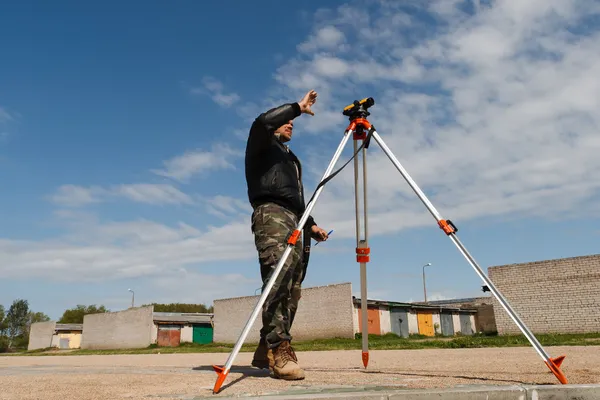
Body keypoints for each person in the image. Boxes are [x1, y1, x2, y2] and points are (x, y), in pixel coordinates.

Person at [244, 89, 330, 380]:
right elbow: (262, 122)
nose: (291, 124)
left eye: (292, 121)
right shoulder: (261, 144)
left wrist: (311, 224)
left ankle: (264, 346)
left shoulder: (289, 158)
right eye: (286, 121)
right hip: (271, 214)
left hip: (294, 218)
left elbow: (295, 197)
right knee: (278, 278)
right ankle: (279, 349)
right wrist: (297, 107)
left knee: (293, 285)